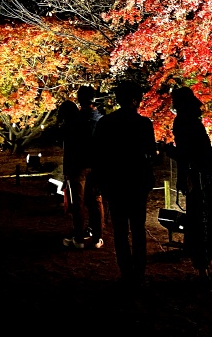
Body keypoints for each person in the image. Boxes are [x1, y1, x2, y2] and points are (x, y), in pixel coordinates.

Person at [163, 86, 212, 289]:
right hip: (206, 176)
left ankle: (203, 269)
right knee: (209, 220)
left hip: (196, 177)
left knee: (199, 222)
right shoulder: (195, 122)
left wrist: (167, 150)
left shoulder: (182, 122)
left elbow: (186, 154)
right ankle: (210, 268)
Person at [94, 81, 157, 288]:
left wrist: (100, 179)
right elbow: (151, 154)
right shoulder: (144, 124)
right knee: (138, 227)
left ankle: (126, 271)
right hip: (138, 180)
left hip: (115, 180)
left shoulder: (106, 123)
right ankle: (139, 271)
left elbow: (99, 154)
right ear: (135, 100)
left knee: (120, 229)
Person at [59, 85, 105, 249]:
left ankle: (78, 238)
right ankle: (98, 237)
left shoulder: (74, 120)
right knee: (95, 201)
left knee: (77, 202)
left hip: (77, 165)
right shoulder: (100, 119)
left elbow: (68, 145)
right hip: (96, 164)